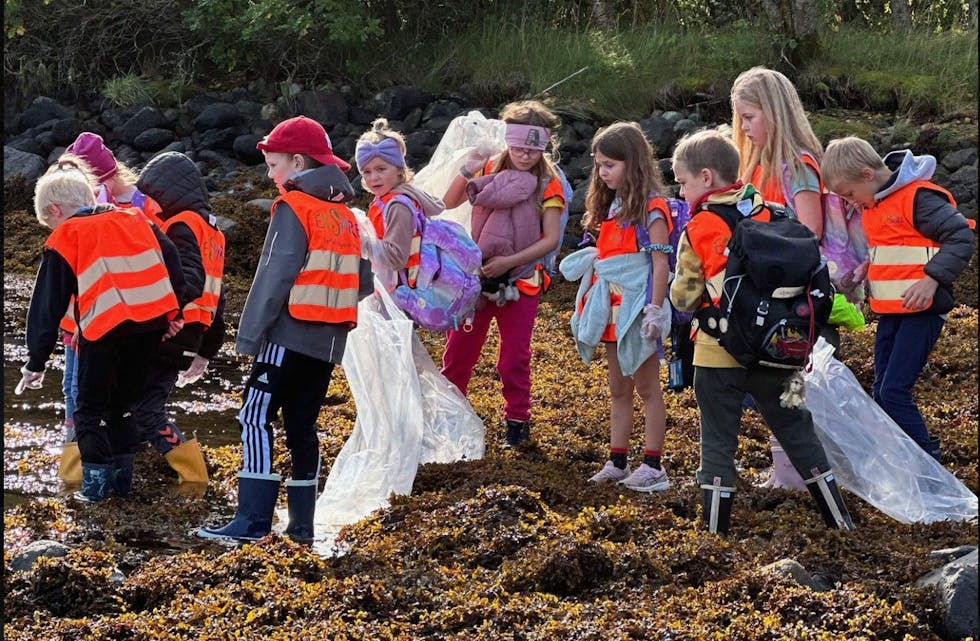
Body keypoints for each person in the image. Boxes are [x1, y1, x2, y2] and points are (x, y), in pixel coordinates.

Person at [668, 129, 854, 536]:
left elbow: (684, 297)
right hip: (778, 345)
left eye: (681, 182)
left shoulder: (699, 226)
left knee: (718, 439)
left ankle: (716, 533)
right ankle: (840, 523)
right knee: (798, 432)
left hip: (719, 350)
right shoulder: (772, 213)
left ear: (704, 177)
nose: (680, 192)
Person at [197, 116, 373, 545]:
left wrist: (250, 336)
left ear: (297, 163)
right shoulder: (346, 217)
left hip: (285, 337)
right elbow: (364, 281)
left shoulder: (293, 208)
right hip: (329, 343)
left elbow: (274, 276)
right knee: (302, 427)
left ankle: (253, 521)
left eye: (273, 165)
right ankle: (301, 528)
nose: (270, 175)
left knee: (254, 416)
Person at [18, 162, 188, 503]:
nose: (51, 229)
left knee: (89, 411)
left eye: (49, 222)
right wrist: (174, 312)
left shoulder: (68, 235)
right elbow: (173, 263)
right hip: (149, 327)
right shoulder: (136, 219)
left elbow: (46, 306)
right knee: (123, 406)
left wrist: (36, 362)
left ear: (56, 210)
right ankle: (122, 487)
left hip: (105, 329)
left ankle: (94, 493)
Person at [730, 65, 860, 488]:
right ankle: (793, 469)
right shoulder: (753, 169)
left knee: (793, 382)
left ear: (774, 111)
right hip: (769, 293)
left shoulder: (798, 165)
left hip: (799, 296)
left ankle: (801, 471)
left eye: (749, 116)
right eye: (740, 118)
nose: (744, 127)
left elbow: (809, 232)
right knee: (773, 381)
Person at [821, 137, 975, 462]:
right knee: (881, 390)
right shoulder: (874, 203)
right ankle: (902, 461)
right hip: (892, 312)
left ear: (866, 174)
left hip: (922, 312)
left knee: (893, 391)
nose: (849, 203)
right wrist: (869, 267)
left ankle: (929, 464)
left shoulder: (918, 198)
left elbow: (961, 236)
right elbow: (901, 247)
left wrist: (932, 278)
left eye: (848, 194)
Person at [439, 100, 565, 449]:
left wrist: (510, 263)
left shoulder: (548, 185)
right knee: (459, 352)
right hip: (477, 278)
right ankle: (452, 418)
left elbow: (551, 240)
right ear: (508, 139)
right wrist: (467, 169)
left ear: (545, 146)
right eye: (519, 146)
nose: (525, 155)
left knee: (514, 358)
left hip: (522, 279)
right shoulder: (488, 170)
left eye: (534, 148)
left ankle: (517, 422)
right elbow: (448, 203)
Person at [568, 122, 672, 492]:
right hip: (610, 313)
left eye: (610, 164)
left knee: (647, 389)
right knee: (617, 389)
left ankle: (653, 464)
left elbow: (660, 263)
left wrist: (655, 311)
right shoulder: (609, 209)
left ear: (634, 162)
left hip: (636, 314)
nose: (602, 172)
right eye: (598, 165)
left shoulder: (653, 209)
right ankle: (617, 460)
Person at [55, 134, 163, 481]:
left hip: (106, 319)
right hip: (110, 318)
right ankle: (97, 457)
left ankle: (87, 461)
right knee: (86, 389)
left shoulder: (136, 210)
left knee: (85, 391)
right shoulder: (139, 207)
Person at [129, 151, 228, 484]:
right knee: (139, 404)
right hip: (193, 333)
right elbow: (219, 295)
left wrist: (163, 316)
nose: (150, 203)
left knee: (146, 411)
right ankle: (144, 472)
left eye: (151, 195)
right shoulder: (213, 232)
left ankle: (193, 473)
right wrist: (208, 349)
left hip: (172, 331)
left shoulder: (180, 224)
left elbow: (190, 279)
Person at [355, 118, 445, 289]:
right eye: (367, 171)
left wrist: (359, 239)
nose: (373, 177)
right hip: (398, 285)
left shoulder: (398, 206)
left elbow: (396, 258)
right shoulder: (386, 198)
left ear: (399, 169)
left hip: (405, 290)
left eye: (381, 169)